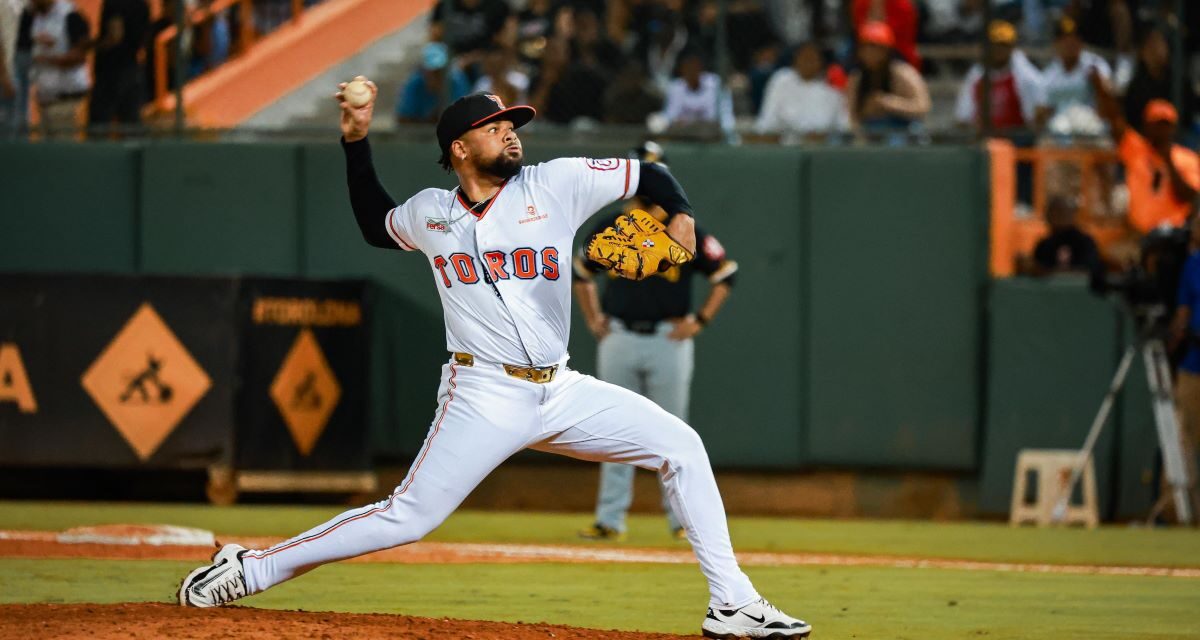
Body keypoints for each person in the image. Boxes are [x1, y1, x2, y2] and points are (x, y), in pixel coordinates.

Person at [177, 84, 814, 640]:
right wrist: (355, 139)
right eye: (495, 127)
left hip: (561, 389)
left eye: (512, 125)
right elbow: (375, 223)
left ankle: (732, 604)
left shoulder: (555, 183)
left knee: (682, 447)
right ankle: (251, 568)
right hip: (482, 393)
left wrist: (681, 216)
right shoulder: (431, 212)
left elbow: (648, 174)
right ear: (459, 148)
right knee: (408, 516)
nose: (511, 133)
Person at [575, 141, 739, 543]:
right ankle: (610, 519)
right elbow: (580, 271)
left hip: (668, 338)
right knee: (612, 430)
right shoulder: (614, 224)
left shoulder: (682, 227)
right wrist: (593, 317)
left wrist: (699, 320)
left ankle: (682, 520)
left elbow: (725, 274)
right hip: (620, 334)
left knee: (674, 434)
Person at [1092, 70, 1200, 235]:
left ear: (1173, 128)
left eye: (1165, 125)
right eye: (1156, 124)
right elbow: (1115, 120)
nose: (1161, 130)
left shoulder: (1187, 158)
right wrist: (1102, 91)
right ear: (1146, 126)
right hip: (1139, 233)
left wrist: (1169, 161)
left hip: (1174, 234)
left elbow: (1189, 196)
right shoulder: (1136, 149)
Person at [954, 20, 1045, 133]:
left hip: (1017, 137)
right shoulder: (976, 75)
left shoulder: (1026, 74)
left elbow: (1036, 117)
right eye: (995, 45)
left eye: (1004, 45)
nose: (999, 50)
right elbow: (962, 117)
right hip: (984, 138)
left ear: (1012, 47)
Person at [18, 0, 90, 138]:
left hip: (66, 98)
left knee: (62, 146)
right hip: (44, 99)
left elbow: (79, 57)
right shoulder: (32, 17)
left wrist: (45, 59)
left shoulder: (71, 16)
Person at [846, 21, 929, 136]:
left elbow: (923, 106)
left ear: (887, 50)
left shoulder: (902, 73)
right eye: (865, 47)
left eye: (875, 48)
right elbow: (853, 116)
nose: (870, 53)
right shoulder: (857, 78)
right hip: (871, 130)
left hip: (905, 129)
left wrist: (889, 103)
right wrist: (867, 110)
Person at [755, 41, 848, 144]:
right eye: (804, 58)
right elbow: (768, 119)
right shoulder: (781, 80)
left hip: (821, 148)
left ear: (821, 63)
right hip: (784, 145)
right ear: (795, 60)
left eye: (812, 59)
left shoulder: (831, 90)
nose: (807, 63)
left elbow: (843, 126)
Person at [1169, 215, 1200, 499]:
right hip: (1193, 364)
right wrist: (1173, 341)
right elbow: (1183, 312)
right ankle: (1184, 509)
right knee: (1185, 438)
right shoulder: (1193, 263)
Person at [1039, 15, 1110, 135]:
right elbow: (1043, 110)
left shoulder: (1096, 64)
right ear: (1056, 44)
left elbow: (1109, 100)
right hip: (1059, 130)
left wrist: (1098, 84)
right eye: (1065, 40)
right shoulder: (1049, 74)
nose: (1070, 44)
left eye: (1074, 39)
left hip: (1092, 127)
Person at [88, 0, 149, 135]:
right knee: (131, 126)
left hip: (111, 71)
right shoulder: (142, 5)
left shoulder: (113, 3)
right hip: (133, 68)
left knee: (99, 127)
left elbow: (114, 36)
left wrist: (91, 46)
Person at [396, 42, 470, 125]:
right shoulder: (414, 84)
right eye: (432, 71)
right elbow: (403, 118)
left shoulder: (457, 81)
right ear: (424, 70)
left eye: (439, 71)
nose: (436, 75)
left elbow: (464, 118)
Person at [1028, 196, 1103, 278]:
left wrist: (1052, 272)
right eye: (1052, 212)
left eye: (1060, 211)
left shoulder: (1084, 242)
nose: (1056, 216)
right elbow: (1035, 270)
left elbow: (1090, 270)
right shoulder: (1043, 245)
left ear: (1071, 214)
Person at [663, 49, 734, 132]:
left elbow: (724, 116)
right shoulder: (675, 88)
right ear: (682, 70)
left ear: (700, 67)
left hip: (710, 133)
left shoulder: (715, 84)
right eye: (688, 67)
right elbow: (670, 117)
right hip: (683, 134)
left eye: (694, 66)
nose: (691, 71)